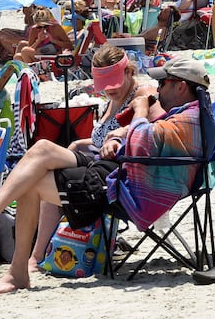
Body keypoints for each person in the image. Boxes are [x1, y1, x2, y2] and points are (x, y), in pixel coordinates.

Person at [0, 57, 210, 293]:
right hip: (113, 166)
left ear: (180, 86)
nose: (159, 89)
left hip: (125, 185)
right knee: (41, 149)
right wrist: (119, 135)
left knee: (30, 182)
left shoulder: (185, 118)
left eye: (164, 84)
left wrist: (137, 115)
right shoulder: (185, 114)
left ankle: (18, 267)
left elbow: (145, 143)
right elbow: (149, 141)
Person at [26, 45, 164, 272]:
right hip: (97, 161)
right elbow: (101, 140)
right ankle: (34, 252)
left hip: (121, 174)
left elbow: (155, 129)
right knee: (43, 164)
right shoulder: (114, 98)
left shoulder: (143, 95)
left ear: (129, 72)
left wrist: (121, 134)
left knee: (50, 179)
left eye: (114, 83)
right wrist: (79, 144)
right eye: (105, 86)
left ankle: (35, 256)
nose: (110, 90)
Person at [113, 6, 181, 54]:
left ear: (169, 18)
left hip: (142, 53)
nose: (161, 11)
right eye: (163, 10)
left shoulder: (161, 30)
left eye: (165, 12)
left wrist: (126, 36)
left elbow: (139, 39)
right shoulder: (158, 28)